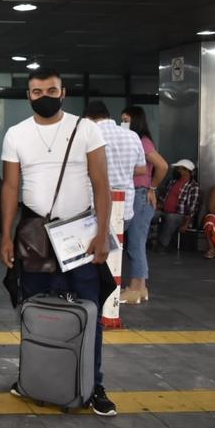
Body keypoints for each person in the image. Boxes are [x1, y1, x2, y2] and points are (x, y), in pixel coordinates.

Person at [0, 68, 116, 416]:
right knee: (35, 313)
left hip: (78, 235)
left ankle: (93, 385)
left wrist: (102, 233)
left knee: (89, 312)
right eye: (37, 92)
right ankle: (33, 379)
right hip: (34, 237)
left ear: (63, 92)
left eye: (51, 90)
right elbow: (9, 187)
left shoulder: (86, 129)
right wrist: (6, 236)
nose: (44, 96)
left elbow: (101, 184)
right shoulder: (16, 134)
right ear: (28, 95)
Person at [83, 101, 144, 304]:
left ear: (88, 119)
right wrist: (121, 173)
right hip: (125, 209)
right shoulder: (132, 136)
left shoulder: (88, 136)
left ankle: (100, 297)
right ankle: (110, 297)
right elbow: (141, 169)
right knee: (113, 253)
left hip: (94, 207)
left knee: (92, 254)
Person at [120, 106, 168, 303]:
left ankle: (134, 288)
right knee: (136, 242)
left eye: (126, 119)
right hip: (137, 195)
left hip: (140, 196)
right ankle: (140, 287)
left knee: (135, 244)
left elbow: (163, 165)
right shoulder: (134, 140)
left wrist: (152, 187)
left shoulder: (142, 141)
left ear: (136, 121)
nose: (122, 122)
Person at [155, 159, 200, 252]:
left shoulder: (193, 186)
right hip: (164, 211)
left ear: (187, 171)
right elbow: (164, 198)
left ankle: (162, 244)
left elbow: (192, 208)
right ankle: (144, 241)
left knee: (171, 218)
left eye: (180, 169)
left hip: (180, 215)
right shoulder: (172, 182)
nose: (178, 171)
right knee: (149, 214)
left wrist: (186, 224)